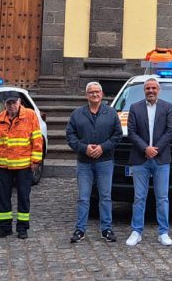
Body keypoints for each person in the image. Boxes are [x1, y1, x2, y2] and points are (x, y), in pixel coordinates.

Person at [66, 81, 123, 243]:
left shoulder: (111, 113)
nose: (94, 94)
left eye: (97, 92)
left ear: (102, 94)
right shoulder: (77, 114)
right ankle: (80, 229)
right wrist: (84, 148)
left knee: (105, 196)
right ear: (86, 95)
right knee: (83, 197)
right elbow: (70, 136)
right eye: (91, 92)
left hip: (105, 161)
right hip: (84, 162)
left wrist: (103, 147)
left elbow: (117, 135)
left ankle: (106, 229)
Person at [125, 78, 172, 247]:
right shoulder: (135, 107)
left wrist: (156, 149)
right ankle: (136, 231)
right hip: (140, 159)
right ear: (144, 90)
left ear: (158, 90)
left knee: (162, 198)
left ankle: (163, 232)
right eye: (148, 88)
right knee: (139, 197)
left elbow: (170, 131)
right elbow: (131, 132)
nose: (151, 91)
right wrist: (146, 148)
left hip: (161, 159)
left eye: (154, 88)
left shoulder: (167, 107)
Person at [0, 93, 44, 240]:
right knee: (2, 197)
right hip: (3, 165)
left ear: (20, 102)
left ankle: (22, 228)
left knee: (23, 197)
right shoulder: (0, 118)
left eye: (14, 103)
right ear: (5, 104)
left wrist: (35, 161)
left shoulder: (30, 115)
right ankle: (4, 228)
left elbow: (37, 140)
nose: (12, 106)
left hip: (23, 165)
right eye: (9, 103)